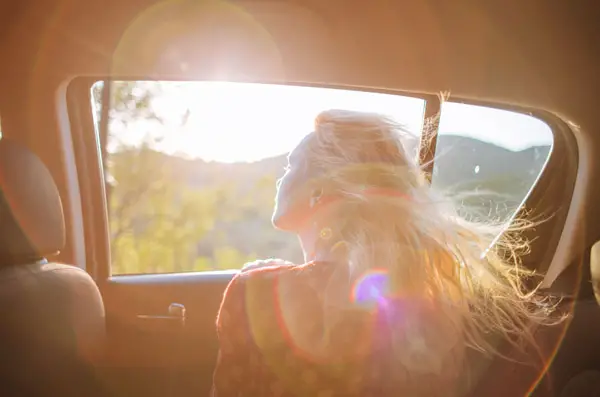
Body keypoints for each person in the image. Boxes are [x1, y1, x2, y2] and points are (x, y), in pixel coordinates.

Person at [210, 109, 561, 396]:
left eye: (290, 166)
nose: (278, 178)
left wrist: (262, 280)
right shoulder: (440, 303)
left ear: (318, 192)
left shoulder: (254, 293)